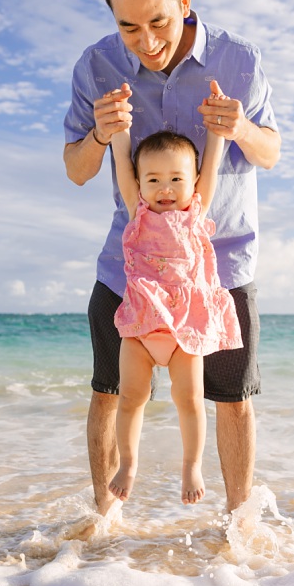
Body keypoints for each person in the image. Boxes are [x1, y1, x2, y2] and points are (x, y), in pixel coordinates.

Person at [63, 0, 280, 515]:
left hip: (221, 265)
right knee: (110, 395)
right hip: (128, 270)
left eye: (158, 21)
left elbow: (271, 153)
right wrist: (100, 135)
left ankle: (238, 533)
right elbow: (76, 170)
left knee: (230, 401)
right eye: (128, 27)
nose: (147, 40)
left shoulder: (240, 60)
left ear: (185, 2)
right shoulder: (96, 66)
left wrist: (238, 128)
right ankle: (103, 525)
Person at [105, 85, 241, 505]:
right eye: (154, 180)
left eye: (176, 179)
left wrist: (216, 130)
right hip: (142, 326)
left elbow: (213, 167)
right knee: (130, 399)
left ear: (192, 182)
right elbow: (124, 167)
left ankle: (191, 465)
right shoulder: (139, 212)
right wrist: (118, 127)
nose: (165, 188)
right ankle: (128, 461)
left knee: (190, 402)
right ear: (142, 185)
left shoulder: (195, 213)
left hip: (186, 329)